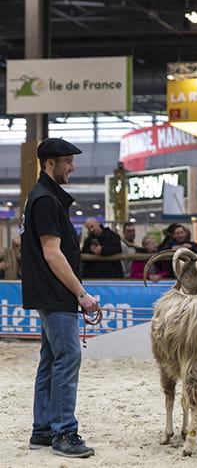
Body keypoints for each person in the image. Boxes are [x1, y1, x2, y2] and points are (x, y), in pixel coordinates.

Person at [21, 137, 100, 458]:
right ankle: (64, 432)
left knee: (51, 360)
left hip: (47, 293)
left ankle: (42, 430)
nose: (73, 167)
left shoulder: (43, 197)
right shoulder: (45, 200)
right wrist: (81, 294)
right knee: (68, 359)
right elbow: (53, 254)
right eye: (67, 161)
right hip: (56, 294)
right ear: (49, 164)